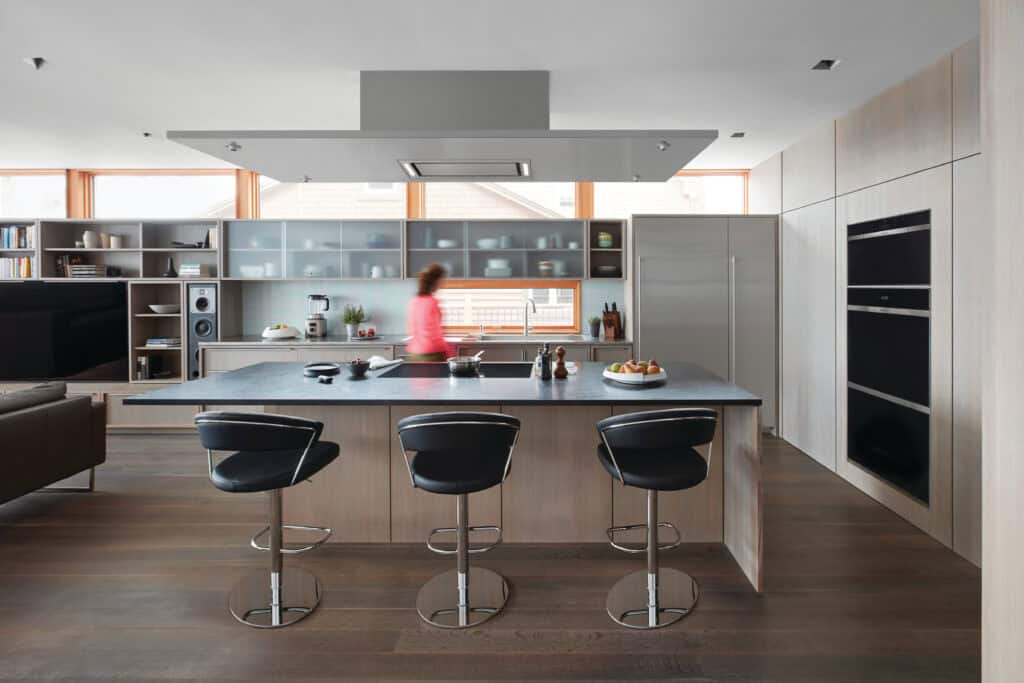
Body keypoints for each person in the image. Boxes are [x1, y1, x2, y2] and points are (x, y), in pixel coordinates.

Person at [406, 263, 451, 361]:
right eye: (442, 280)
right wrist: (448, 351)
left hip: (414, 353)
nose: (443, 284)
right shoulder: (432, 302)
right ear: (436, 282)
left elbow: (412, 329)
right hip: (432, 353)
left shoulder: (414, 301)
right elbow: (437, 333)